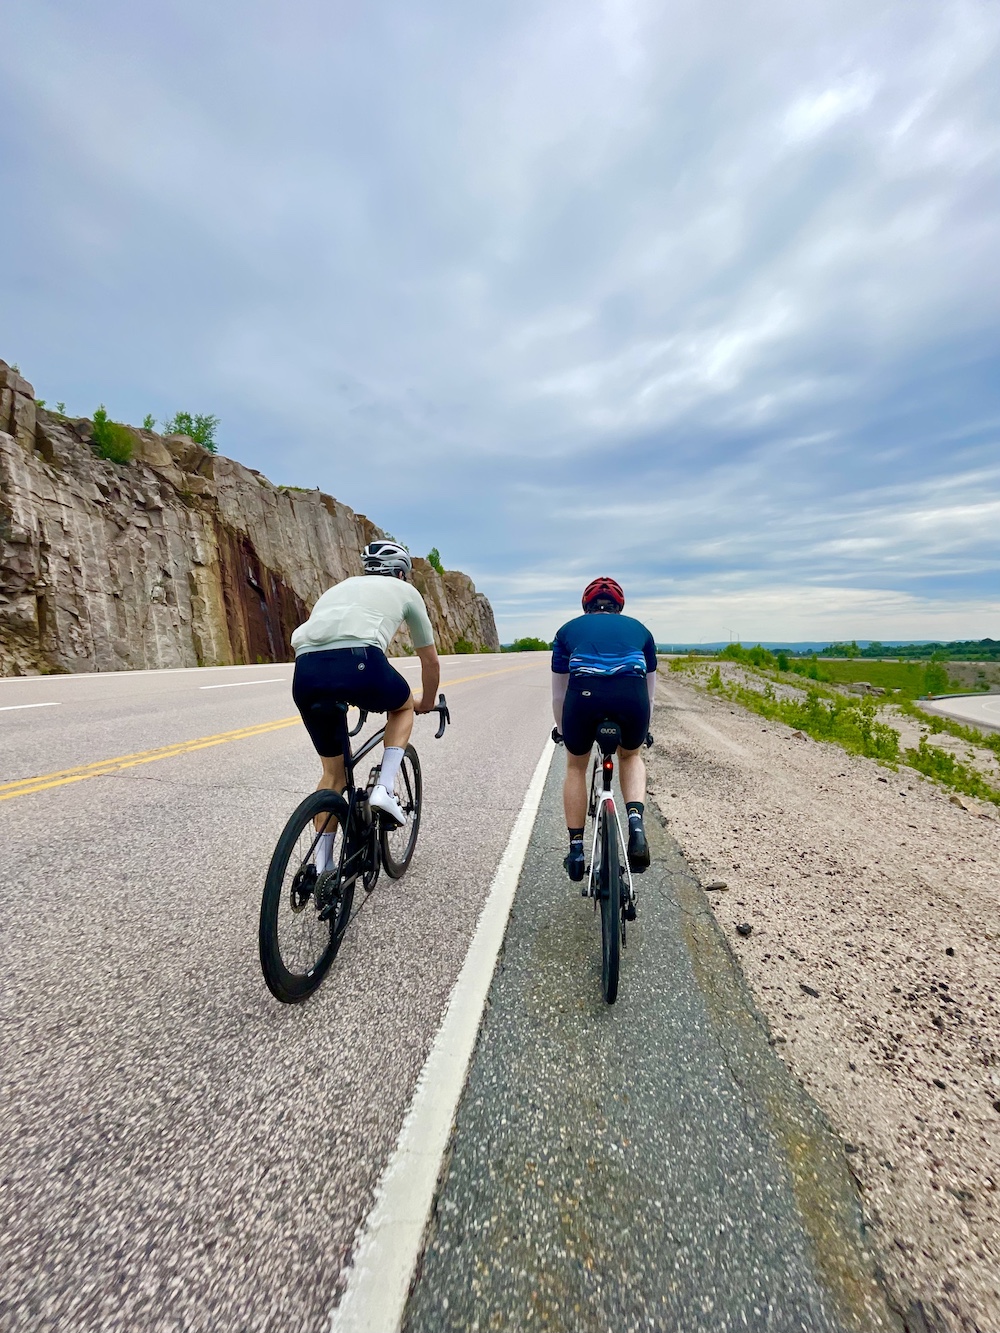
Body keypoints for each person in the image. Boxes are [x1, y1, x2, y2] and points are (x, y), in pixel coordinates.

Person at [290, 541, 440, 861]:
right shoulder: (405, 591)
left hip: (306, 671)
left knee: (333, 776)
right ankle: (385, 789)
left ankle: (323, 867)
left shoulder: (339, 589)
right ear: (400, 572)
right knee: (402, 707)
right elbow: (430, 662)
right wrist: (425, 701)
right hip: (361, 661)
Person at [551, 577, 657, 883]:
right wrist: (643, 728)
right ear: (619, 607)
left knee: (575, 766)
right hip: (631, 700)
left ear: (586, 606)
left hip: (583, 699)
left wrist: (563, 730)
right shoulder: (641, 630)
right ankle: (636, 825)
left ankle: (575, 850)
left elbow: (559, 693)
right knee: (631, 757)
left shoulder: (567, 630)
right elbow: (649, 693)